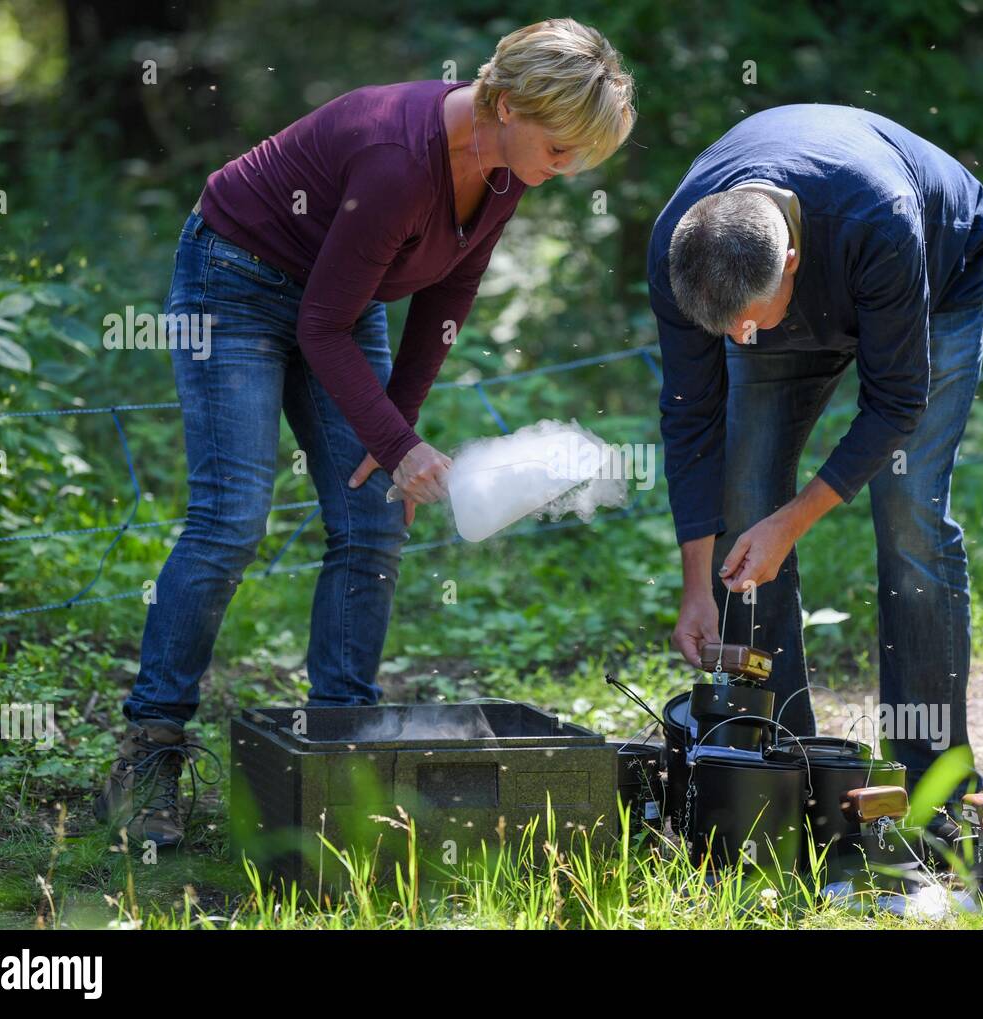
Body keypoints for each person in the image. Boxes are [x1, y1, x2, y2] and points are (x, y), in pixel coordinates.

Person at [95, 19, 635, 848]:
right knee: (231, 520)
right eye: (560, 148)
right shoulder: (395, 160)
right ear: (504, 102)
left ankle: (343, 746)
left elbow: (446, 301)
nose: (564, 170)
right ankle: (149, 749)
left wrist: (399, 436)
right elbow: (320, 328)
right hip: (236, 281)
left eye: (578, 156)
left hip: (343, 304)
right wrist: (397, 446)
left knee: (373, 513)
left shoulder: (503, 170)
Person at [647, 103, 983, 841]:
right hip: (807, 287)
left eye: (747, 321)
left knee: (908, 514)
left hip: (934, 278)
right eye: (726, 330)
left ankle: (933, 781)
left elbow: (898, 398)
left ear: (790, 266)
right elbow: (690, 416)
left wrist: (793, 520)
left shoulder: (880, 218)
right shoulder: (684, 247)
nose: (738, 340)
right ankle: (789, 771)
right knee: (746, 500)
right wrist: (695, 583)